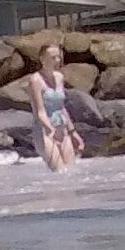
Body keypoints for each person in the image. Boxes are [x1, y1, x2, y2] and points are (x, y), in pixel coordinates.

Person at [27, 43, 83, 173]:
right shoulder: (35, 80)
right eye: (52, 57)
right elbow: (40, 111)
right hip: (44, 131)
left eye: (58, 57)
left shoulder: (59, 77)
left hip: (61, 128)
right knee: (58, 172)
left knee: (70, 172)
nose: (57, 61)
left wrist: (73, 132)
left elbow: (61, 107)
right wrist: (50, 129)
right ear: (42, 59)